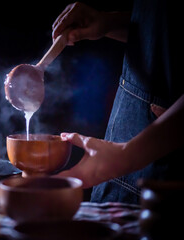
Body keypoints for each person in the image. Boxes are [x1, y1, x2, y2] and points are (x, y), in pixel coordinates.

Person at [52, 1, 183, 204]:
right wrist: (109, 22)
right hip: (124, 134)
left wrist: (124, 155)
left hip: (166, 163)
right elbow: (166, 29)